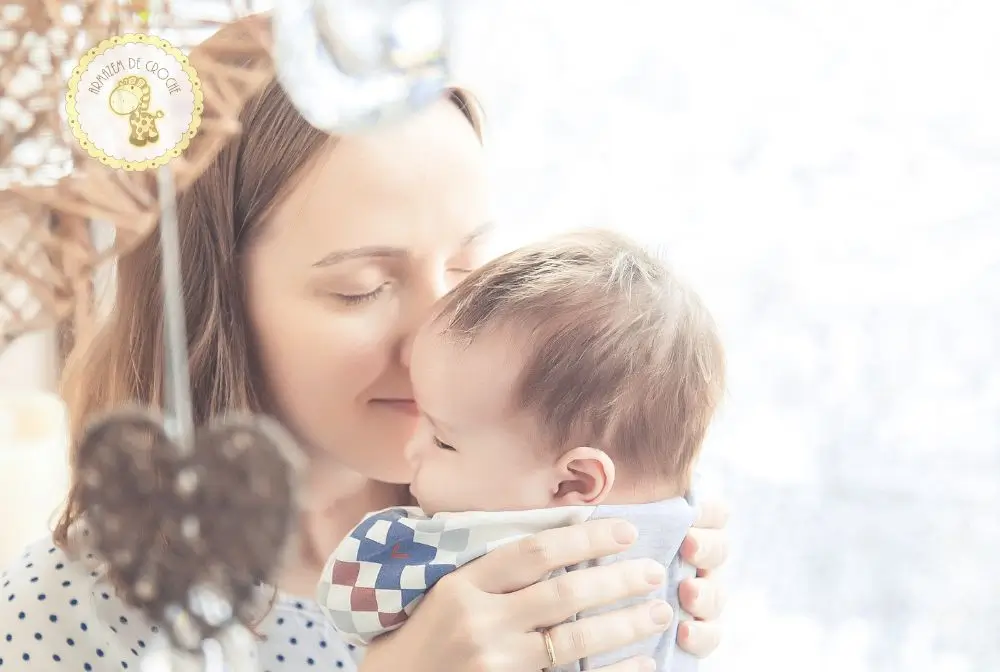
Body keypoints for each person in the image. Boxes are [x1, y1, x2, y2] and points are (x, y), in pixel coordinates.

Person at [0, 15, 728, 672]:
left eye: (471, 267)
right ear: (213, 306)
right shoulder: (59, 619)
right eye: (361, 288)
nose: (444, 333)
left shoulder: (521, 499)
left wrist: (653, 521)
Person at [317, 228, 725, 672]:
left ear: (575, 481)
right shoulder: (686, 528)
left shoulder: (459, 542)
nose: (412, 448)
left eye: (442, 440)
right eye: (363, 288)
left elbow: (345, 597)